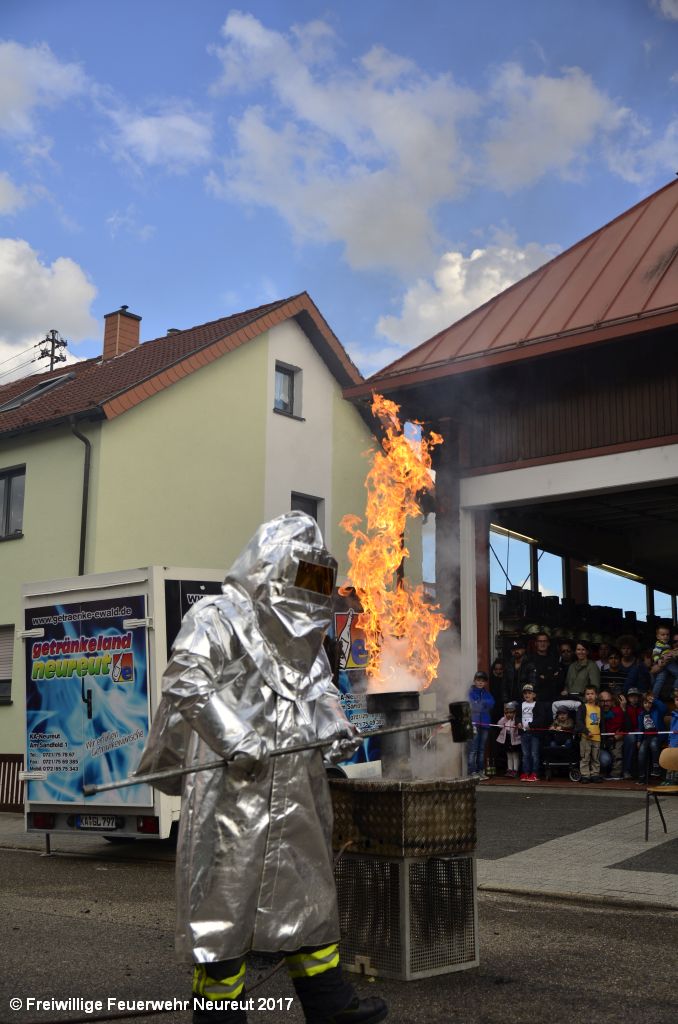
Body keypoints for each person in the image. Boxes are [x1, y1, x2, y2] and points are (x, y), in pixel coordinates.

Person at [137, 512, 388, 1024]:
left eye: (318, 579)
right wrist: (235, 738)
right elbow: (186, 680)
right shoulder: (217, 617)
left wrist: (337, 729)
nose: (309, 590)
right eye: (302, 575)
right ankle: (219, 1016)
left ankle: (331, 1005)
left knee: (308, 893)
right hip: (231, 789)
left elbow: (320, 693)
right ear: (273, 567)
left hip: (297, 787)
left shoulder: (305, 638)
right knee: (223, 904)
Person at [518, 683, 550, 782]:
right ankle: (525, 772)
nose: (527, 695)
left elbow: (541, 718)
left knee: (534, 753)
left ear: (534, 695)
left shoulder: (538, 705)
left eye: (529, 693)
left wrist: (530, 725)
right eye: (525, 693)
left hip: (534, 733)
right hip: (524, 733)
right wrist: (518, 723)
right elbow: (518, 716)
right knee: (525, 754)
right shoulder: (521, 705)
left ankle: (535, 773)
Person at [634, 692, 668, 783]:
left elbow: (664, 708)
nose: (647, 705)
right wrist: (639, 740)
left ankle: (656, 768)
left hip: (657, 736)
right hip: (646, 737)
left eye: (649, 703)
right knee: (641, 752)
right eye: (645, 703)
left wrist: (654, 700)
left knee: (653, 744)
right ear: (642, 704)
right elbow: (640, 728)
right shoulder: (641, 714)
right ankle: (641, 776)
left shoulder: (657, 711)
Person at [467, 670, 494, 776]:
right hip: (474, 723)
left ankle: (481, 771)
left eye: (483, 681)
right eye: (478, 680)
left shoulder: (487, 693)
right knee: (473, 749)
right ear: (474, 681)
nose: (480, 682)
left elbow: (492, 703)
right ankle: (472, 771)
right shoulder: (470, 692)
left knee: (481, 749)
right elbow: (472, 705)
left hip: (485, 724)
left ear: (485, 683)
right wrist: (482, 704)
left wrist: (479, 703)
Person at [575, 686, 602, 783]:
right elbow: (579, 722)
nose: (590, 696)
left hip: (597, 737)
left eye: (592, 694)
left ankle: (595, 774)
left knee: (596, 757)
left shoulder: (599, 708)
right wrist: (586, 732)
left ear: (596, 695)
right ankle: (585, 775)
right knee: (585, 757)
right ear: (585, 696)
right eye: (587, 694)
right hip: (585, 737)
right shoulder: (583, 707)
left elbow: (601, 724)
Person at [598, 690, 624, 780]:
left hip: (614, 739)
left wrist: (614, 738)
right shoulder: (595, 711)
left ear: (612, 701)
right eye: (602, 701)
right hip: (599, 742)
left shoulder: (617, 711)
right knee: (605, 760)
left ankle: (616, 774)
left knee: (617, 753)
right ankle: (600, 773)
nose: (605, 703)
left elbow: (623, 728)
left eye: (608, 701)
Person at [619, 688, 643, 779]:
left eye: (636, 696)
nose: (634, 698)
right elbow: (627, 727)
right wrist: (624, 710)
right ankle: (626, 770)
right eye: (631, 696)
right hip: (628, 733)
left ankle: (642, 772)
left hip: (641, 733)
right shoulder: (625, 708)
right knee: (632, 738)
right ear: (628, 698)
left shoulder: (642, 708)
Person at [503, 639, 536, 704]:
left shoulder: (530, 664)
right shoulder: (508, 665)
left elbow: (533, 683)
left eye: (518, 649)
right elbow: (504, 685)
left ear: (523, 650)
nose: (516, 651)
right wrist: (505, 700)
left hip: (525, 700)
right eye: (513, 650)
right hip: (511, 700)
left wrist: (528, 699)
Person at [651, 623, 678, 699]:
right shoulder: (659, 645)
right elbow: (655, 653)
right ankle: (675, 692)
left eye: (667, 635)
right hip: (665, 663)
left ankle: (654, 697)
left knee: (660, 679)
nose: (665, 636)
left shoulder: (666, 645)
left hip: (666, 664)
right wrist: (659, 660)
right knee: (660, 678)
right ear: (657, 636)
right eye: (663, 635)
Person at [531, 632, 560, 702]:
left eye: (545, 641)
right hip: (535, 698)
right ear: (536, 643)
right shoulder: (530, 659)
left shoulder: (554, 659)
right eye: (540, 641)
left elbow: (557, 678)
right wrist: (548, 677)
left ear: (548, 643)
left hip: (552, 697)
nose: (542, 643)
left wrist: (544, 677)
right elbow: (532, 679)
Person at [495, 701, 522, 777]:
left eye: (511, 713)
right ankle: (510, 770)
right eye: (507, 713)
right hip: (507, 739)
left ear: (514, 712)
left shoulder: (516, 719)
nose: (509, 714)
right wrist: (505, 719)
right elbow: (499, 725)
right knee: (509, 755)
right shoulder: (504, 719)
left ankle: (515, 770)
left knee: (515, 755)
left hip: (515, 740)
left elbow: (518, 728)